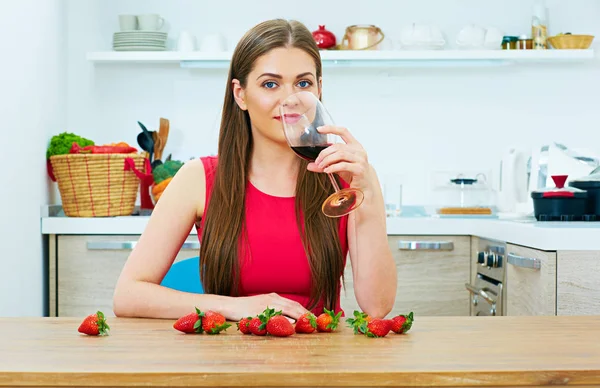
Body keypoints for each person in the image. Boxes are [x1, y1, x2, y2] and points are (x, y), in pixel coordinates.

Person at [113, 19, 397, 321]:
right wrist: (233, 307)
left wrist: (368, 190)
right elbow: (128, 295)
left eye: (303, 83)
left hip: (320, 357)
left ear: (319, 89)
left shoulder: (344, 179)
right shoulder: (199, 178)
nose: (290, 100)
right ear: (240, 94)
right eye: (270, 84)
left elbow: (377, 307)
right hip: (229, 358)